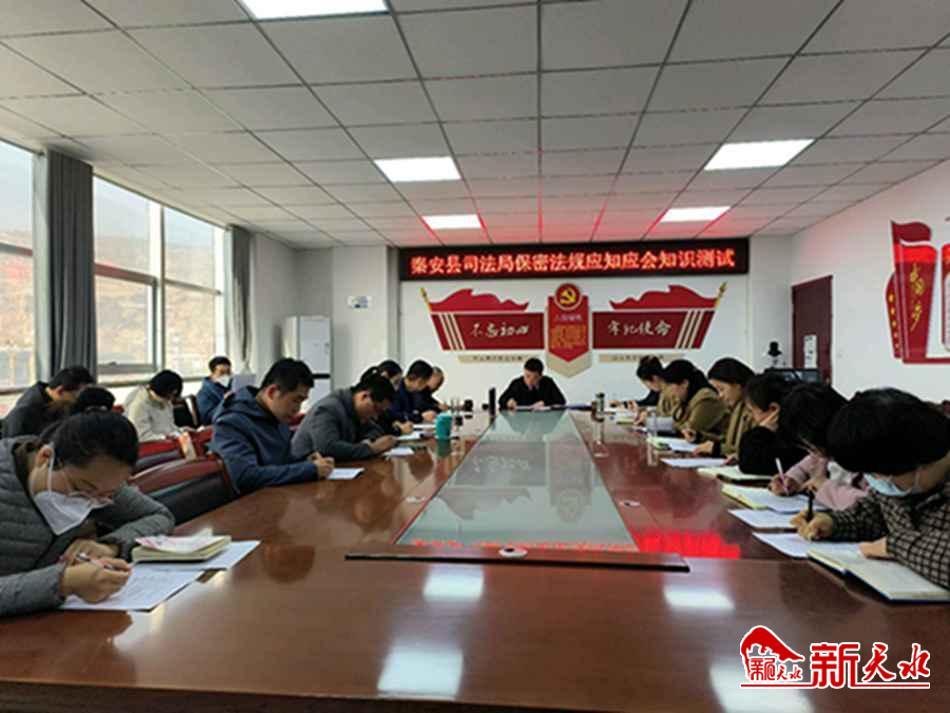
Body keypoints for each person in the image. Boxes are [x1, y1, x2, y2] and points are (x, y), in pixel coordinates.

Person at [0, 411, 174, 618]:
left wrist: (111, 546)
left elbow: (160, 516)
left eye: (104, 496)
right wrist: (63, 582)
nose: (86, 502)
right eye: (79, 488)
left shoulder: (99, 481)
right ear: (45, 457)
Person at [796, 388, 949, 588]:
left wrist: (893, 546)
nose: (876, 481)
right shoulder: (903, 481)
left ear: (918, 461)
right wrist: (834, 523)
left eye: (877, 474)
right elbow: (877, 512)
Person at [211, 359, 334, 495]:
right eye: (295, 400)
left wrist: (304, 462)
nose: (297, 409)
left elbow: (280, 463)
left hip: (277, 498)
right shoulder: (231, 423)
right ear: (272, 392)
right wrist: (308, 470)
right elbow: (245, 477)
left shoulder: (276, 416)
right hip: (248, 504)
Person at [772, 383, 867, 510]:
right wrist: (793, 480)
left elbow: (874, 506)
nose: (813, 452)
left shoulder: (866, 454)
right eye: (807, 448)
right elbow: (803, 468)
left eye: (812, 446)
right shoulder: (820, 456)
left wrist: (824, 487)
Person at [292, 375, 398, 462]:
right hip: (302, 471)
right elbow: (327, 448)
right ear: (364, 396)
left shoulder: (355, 410)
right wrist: (372, 449)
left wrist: (367, 441)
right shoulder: (328, 408)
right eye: (376, 409)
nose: (376, 416)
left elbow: (375, 430)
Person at [735, 372, 806, 475]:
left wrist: (762, 430)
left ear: (773, 409)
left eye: (751, 411)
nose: (749, 417)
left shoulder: (793, 436)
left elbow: (750, 464)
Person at [2, 366, 94, 438]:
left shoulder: (60, 403)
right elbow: (10, 450)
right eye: (76, 394)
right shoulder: (23, 414)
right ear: (60, 391)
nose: (78, 398)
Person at [692, 358, 755, 458]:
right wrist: (700, 436)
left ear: (737, 385)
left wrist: (717, 448)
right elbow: (728, 440)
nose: (720, 396)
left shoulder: (754, 410)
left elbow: (750, 450)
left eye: (721, 389)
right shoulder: (736, 408)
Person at [661, 359, 726, 442]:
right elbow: (673, 420)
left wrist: (659, 423)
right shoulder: (686, 398)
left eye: (669, 385)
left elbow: (690, 429)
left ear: (685, 383)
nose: (668, 391)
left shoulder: (706, 398)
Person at [124, 370, 183, 442]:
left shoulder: (166, 401)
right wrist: (165, 437)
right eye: (170, 395)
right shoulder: (139, 405)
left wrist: (180, 430)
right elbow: (141, 436)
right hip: (149, 444)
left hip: (165, 441)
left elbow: (168, 426)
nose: (171, 399)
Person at [499, 358, 566, 410]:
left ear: (540, 376)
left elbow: (561, 401)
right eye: (527, 376)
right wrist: (508, 402)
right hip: (522, 419)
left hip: (543, 419)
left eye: (535, 378)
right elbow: (501, 400)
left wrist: (545, 403)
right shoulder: (517, 383)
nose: (529, 381)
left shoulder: (548, 382)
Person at [631, 356, 677, 426]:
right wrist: (649, 412)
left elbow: (676, 420)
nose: (647, 386)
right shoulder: (662, 391)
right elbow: (661, 411)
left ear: (654, 378)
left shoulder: (671, 392)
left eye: (645, 383)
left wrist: (649, 420)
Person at [391, 360, 435, 424]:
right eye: (426, 383)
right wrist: (420, 417)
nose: (425, 386)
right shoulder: (396, 389)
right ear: (420, 381)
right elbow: (395, 415)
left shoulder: (414, 392)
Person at [196, 356, 232, 426]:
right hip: (220, 425)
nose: (226, 376)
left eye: (228, 372)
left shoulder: (231, 387)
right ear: (212, 374)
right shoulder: (203, 394)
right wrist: (224, 402)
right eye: (221, 373)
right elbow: (207, 419)